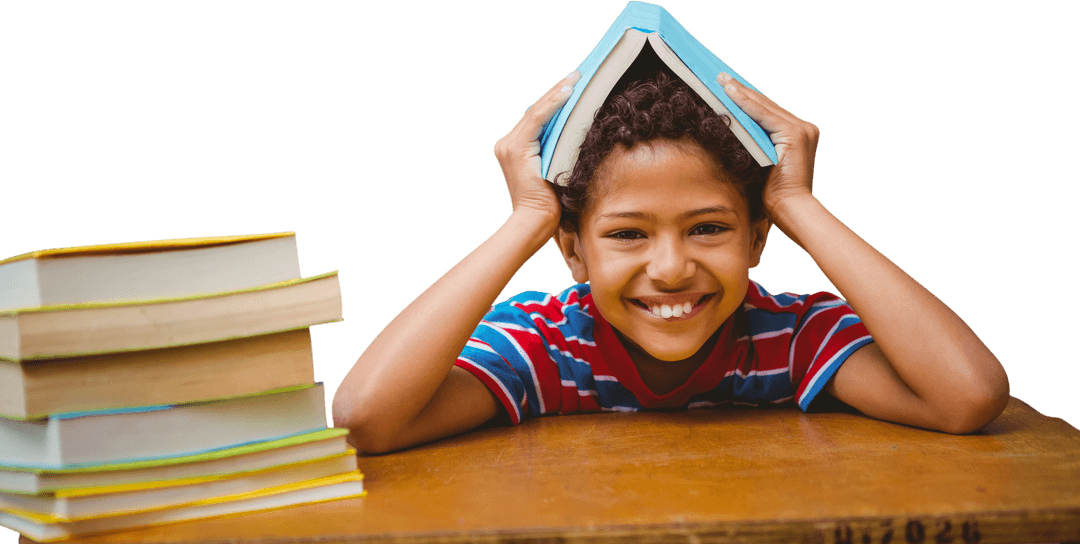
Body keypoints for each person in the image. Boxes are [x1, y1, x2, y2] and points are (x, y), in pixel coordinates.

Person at [331, 69, 1010, 454]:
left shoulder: (792, 338)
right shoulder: (543, 347)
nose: (672, 267)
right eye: (627, 234)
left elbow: (968, 398)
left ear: (757, 239)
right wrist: (529, 218)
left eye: (709, 228)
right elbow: (364, 419)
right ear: (573, 249)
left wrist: (798, 202)